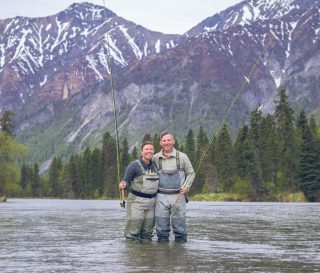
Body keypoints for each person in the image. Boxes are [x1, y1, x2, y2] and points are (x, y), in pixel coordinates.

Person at [153, 132, 195, 243]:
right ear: (160, 143)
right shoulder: (155, 158)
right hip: (160, 197)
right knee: (161, 230)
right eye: (164, 140)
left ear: (173, 141)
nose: (167, 143)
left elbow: (191, 173)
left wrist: (186, 187)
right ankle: (162, 254)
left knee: (180, 228)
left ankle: (180, 254)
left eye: (169, 140)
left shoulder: (182, 157)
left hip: (179, 196)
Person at [119, 141, 159, 243]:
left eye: (151, 149)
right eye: (146, 149)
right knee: (133, 233)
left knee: (147, 234)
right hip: (136, 203)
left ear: (153, 151)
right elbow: (126, 180)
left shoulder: (155, 166)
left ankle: (146, 256)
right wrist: (123, 184)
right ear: (141, 152)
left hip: (152, 204)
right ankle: (133, 257)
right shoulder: (134, 166)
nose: (149, 151)